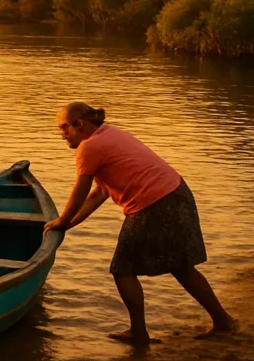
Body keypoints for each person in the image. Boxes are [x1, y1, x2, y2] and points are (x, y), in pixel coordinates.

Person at [45, 102, 238, 346]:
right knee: (182, 266)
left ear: (80, 124)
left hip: (154, 204)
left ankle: (139, 334)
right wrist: (68, 224)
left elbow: (81, 192)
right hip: (176, 194)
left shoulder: (89, 147)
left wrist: (62, 220)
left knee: (123, 269)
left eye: (64, 128)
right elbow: (100, 192)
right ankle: (223, 322)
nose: (61, 134)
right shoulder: (109, 134)